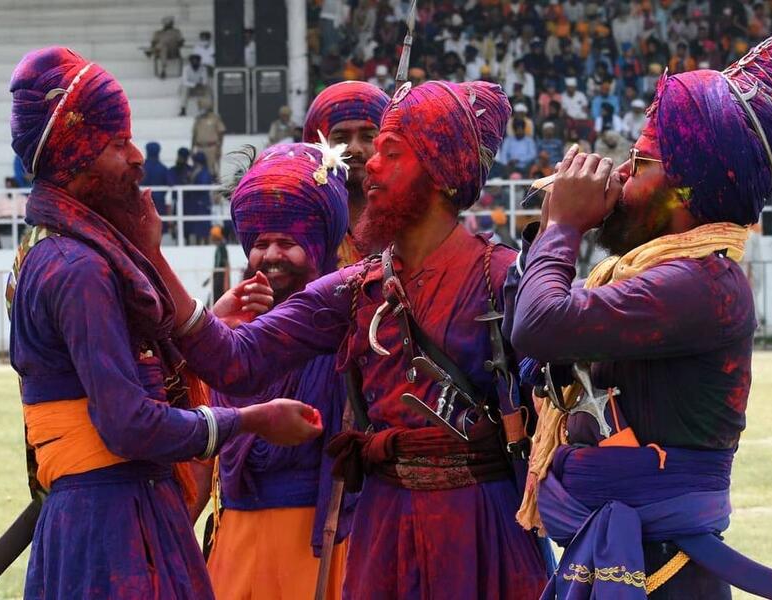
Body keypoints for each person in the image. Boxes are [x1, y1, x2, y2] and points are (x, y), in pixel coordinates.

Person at [141, 80, 549, 599]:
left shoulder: (504, 277)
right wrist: (151, 255)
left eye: (389, 151)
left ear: (441, 173)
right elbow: (235, 361)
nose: (367, 164)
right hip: (383, 531)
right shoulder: (355, 288)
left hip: (480, 531)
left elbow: (558, 402)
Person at [7, 46, 323, 600]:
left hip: (110, 510)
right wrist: (249, 420)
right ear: (76, 159)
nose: (136, 157)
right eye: (115, 144)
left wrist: (201, 326)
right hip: (111, 524)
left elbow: (115, 376)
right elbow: (128, 422)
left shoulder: (61, 251)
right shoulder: (77, 267)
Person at [506, 22, 772, 599]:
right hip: (626, 558)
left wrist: (563, 225)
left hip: (665, 575)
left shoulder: (701, 283)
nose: (616, 173)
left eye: (638, 162)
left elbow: (540, 325)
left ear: (684, 190)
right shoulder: (666, 274)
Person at [206, 142, 352, 600]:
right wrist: (219, 333)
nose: (270, 255)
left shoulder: (348, 320)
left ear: (317, 245)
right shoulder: (233, 321)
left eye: (287, 243)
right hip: (236, 537)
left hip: (322, 538)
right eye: (260, 244)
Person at [302, 80, 390, 265]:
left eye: (368, 137)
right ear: (317, 144)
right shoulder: (305, 226)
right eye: (341, 138)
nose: (354, 148)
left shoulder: (411, 222)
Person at [192, 96, 226, 178]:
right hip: (200, 148)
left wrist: (219, 148)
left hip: (212, 148)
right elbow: (194, 135)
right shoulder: (198, 119)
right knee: (198, 171)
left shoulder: (215, 118)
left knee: (212, 171)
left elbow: (221, 132)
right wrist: (192, 149)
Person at [142, 141, 169, 233]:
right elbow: (169, 183)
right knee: (159, 227)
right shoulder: (163, 169)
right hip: (159, 203)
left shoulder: (141, 168)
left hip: (143, 202)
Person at [207, 225, 229, 306]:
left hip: (220, 278)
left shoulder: (222, 248)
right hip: (218, 277)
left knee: (217, 300)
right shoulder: (219, 247)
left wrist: (226, 282)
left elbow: (225, 265)